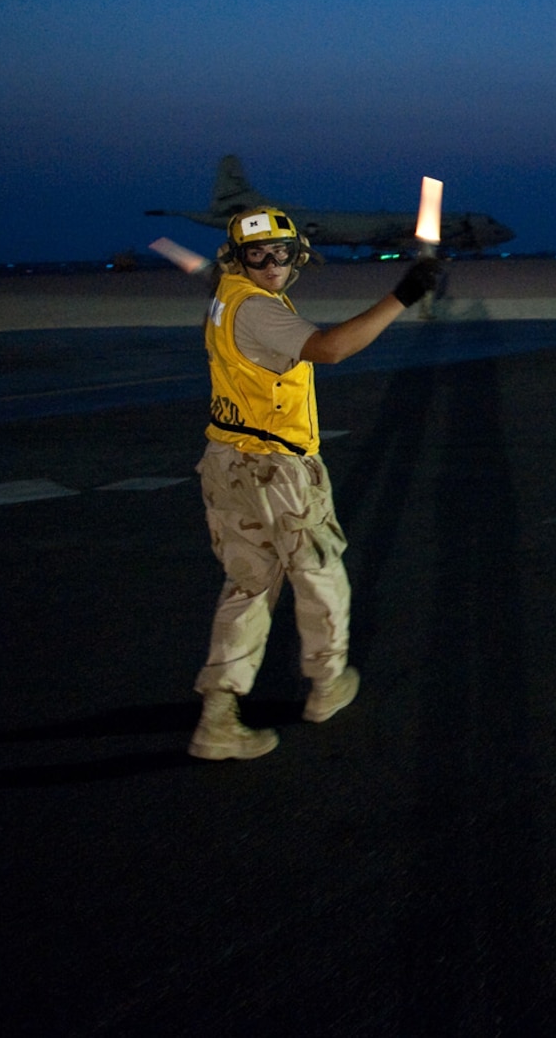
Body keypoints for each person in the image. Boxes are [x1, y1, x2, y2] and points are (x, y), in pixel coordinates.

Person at [188, 206, 442, 761]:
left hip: (227, 458)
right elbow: (330, 349)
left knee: (250, 585)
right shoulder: (257, 310)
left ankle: (217, 717)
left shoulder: (228, 293)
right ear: (240, 258)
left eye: (280, 251)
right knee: (320, 571)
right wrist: (403, 295)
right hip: (273, 468)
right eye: (259, 253)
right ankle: (327, 686)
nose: (272, 262)